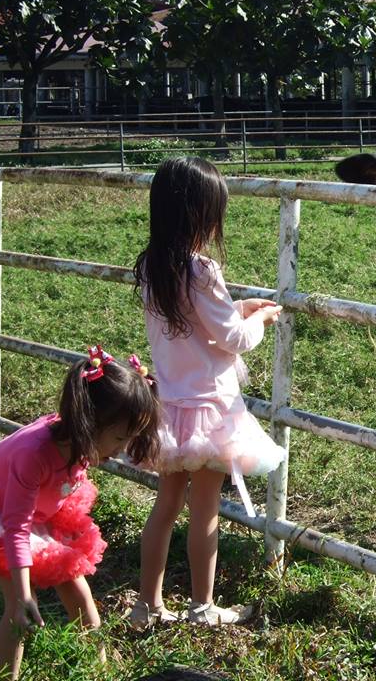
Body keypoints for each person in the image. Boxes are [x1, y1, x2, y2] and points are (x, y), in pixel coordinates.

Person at [0, 346, 160, 680]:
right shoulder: (34, 455)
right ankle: (6, 676)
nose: (122, 449)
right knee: (18, 609)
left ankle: (101, 667)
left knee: (77, 587)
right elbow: (15, 527)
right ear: (91, 422)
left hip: (39, 506)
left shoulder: (80, 438)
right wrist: (26, 592)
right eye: (119, 437)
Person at [130, 156, 285, 630]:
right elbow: (232, 339)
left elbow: (192, 325)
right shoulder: (201, 269)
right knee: (206, 512)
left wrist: (237, 306)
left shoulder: (152, 267)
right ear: (201, 214)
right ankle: (202, 607)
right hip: (212, 413)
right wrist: (257, 318)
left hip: (171, 408)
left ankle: (147, 605)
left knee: (164, 509)